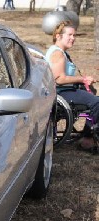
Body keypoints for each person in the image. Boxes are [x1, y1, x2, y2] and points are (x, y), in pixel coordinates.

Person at [46, 21, 99, 151]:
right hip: (60, 93)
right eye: (69, 35)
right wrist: (83, 79)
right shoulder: (58, 54)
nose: (73, 38)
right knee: (97, 103)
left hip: (62, 90)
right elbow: (59, 79)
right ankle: (87, 139)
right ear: (58, 36)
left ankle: (89, 133)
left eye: (74, 35)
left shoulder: (60, 52)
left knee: (92, 94)